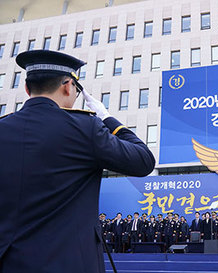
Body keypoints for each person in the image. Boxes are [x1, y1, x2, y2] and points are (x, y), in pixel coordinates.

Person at [0, 50, 155, 273]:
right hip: (69, 263)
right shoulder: (85, 128)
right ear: (68, 86)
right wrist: (107, 119)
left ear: (26, 88)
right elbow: (144, 160)